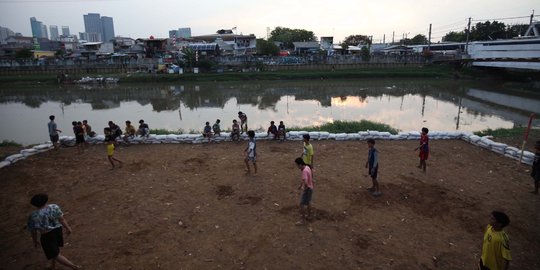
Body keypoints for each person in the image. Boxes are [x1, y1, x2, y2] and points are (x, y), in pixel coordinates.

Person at [27, 193, 81, 270]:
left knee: (55, 255)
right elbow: (61, 219)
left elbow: (33, 231)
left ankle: (74, 267)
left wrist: (35, 241)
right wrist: (68, 228)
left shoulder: (33, 216)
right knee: (55, 251)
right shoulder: (54, 207)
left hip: (47, 236)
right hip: (57, 231)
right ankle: (53, 266)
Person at [295, 157, 313, 225]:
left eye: (297, 165)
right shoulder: (307, 167)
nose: (297, 167)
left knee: (301, 204)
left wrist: (304, 189)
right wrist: (300, 185)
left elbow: (305, 182)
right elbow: (304, 180)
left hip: (308, 189)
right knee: (308, 202)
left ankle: (302, 220)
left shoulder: (304, 171)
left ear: (300, 164)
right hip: (311, 188)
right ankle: (309, 216)